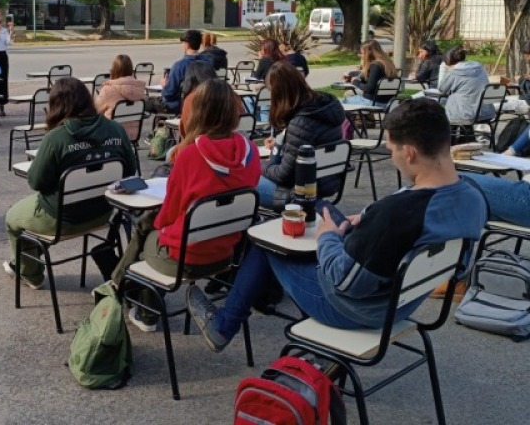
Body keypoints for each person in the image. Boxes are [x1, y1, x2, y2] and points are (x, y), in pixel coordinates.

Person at [186, 98, 487, 352]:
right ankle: (264, 295)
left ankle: (224, 325)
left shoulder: (397, 214)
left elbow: (344, 281)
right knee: (317, 206)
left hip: (352, 309)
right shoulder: (472, 198)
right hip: (401, 301)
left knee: (265, 241)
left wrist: (328, 238)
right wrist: (365, 220)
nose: (393, 158)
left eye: (392, 150)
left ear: (409, 152)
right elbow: (455, 266)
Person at [112, 79, 262, 332]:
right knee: (151, 225)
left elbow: (168, 215)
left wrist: (157, 224)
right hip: (227, 252)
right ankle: (121, 285)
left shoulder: (190, 155)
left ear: (197, 112)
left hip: (184, 257)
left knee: (146, 228)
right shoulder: (251, 151)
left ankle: (135, 301)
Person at [3, 78, 137, 289]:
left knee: (13, 218)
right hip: (103, 212)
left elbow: (36, 182)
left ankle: (31, 274)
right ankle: (25, 260)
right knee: (28, 217)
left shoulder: (56, 138)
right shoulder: (116, 130)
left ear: (57, 104)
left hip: (62, 218)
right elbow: (130, 172)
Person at [254, 61, 345, 209]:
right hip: (327, 181)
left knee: (241, 180)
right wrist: (283, 143)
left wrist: (258, 165)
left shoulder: (301, 122)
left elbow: (282, 175)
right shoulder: (321, 108)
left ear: (279, 94)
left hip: (299, 193)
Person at [145, 29, 210, 114]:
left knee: (145, 103)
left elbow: (168, 95)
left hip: (178, 106)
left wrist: (164, 85)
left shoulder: (180, 66)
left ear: (187, 44)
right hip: (202, 104)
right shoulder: (208, 63)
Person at [437, 45, 494, 126]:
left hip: (464, 115)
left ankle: (450, 137)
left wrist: (443, 69)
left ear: (448, 62)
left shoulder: (455, 72)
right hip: (485, 113)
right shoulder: (479, 67)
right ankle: (465, 136)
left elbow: (442, 89)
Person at [94, 54, 147, 139]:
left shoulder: (107, 91)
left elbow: (93, 112)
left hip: (110, 135)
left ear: (113, 70)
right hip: (132, 135)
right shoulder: (139, 91)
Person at [344, 40, 398, 107]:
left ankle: (360, 116)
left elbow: (370, 88)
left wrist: (355, 82)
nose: (361, 56)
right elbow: (372, 80)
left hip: (373, 102)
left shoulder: (375, 65)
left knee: (340, 104)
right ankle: (365, 117)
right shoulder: (388, 63)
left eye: (362, 53)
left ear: (369, 53)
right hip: (388, 102)